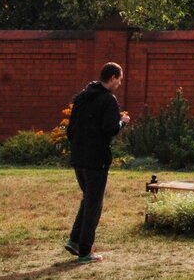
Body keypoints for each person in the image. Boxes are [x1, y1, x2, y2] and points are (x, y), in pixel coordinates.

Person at [65, 61, 131, 264]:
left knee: (88, 200)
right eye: (119, 79)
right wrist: (122, 122)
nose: (119, 83)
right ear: (112, 78)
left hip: (79, 157)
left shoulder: (83, 96)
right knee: (94, 205)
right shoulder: (108, 99)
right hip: (96, 160)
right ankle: (85, 251)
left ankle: (75, 240)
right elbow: (109, 128)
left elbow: (71, 129)